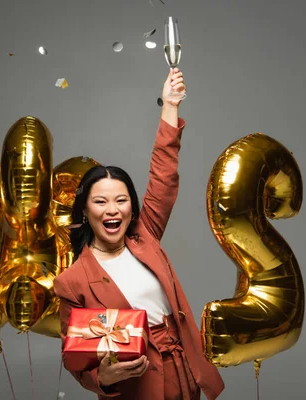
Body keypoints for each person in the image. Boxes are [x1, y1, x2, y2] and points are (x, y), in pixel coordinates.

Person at [53, 68, 224, 400]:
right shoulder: (72, 281)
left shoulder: (145, 234)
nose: (113, 210)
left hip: (184, 370)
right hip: (138, 387)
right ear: (86, 212)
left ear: (132, 207)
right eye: (101, 202)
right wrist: (100, 377)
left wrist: (170, 106)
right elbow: (74, 359)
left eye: (122, 200)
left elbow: (164, 174)